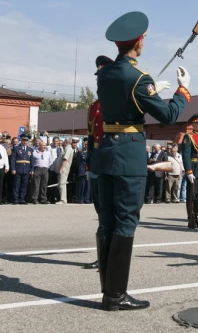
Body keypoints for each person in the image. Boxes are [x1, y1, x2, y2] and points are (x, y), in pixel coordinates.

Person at [92, 11, 190, 311]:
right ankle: (116, 295)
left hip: (106, 151)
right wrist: (182, 91)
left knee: (106, 222)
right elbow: (169, 116)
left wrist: (148, 90)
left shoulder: (106, 73)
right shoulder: (138, 79)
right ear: (139, 42)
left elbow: (123, 98)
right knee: (126, 222)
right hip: (128, 155)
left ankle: (109, 292)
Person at [82, 55, 114, 270]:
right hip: (98, 163)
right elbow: (91, 137)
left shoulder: (119, 102)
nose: (99, 79)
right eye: (98, 76)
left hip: (114, 161)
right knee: (100, 209)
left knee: (113, 211)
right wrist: (89, 164)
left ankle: (114, 256)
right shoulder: (94, 106)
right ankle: (103, 255)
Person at [11, 133, 34, 205]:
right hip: (18, 169)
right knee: (16, 185)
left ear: (28, 141)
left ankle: (22, 199)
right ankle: (15, 199)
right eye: (23, 140)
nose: (25, 142)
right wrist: (13, 168)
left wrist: (32, 169)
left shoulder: (30, 149)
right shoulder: (16, 148)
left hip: (26, 170)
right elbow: (13, 159)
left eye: (26, 140)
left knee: (24, 185)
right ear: (21, 140)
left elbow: (32, 160)